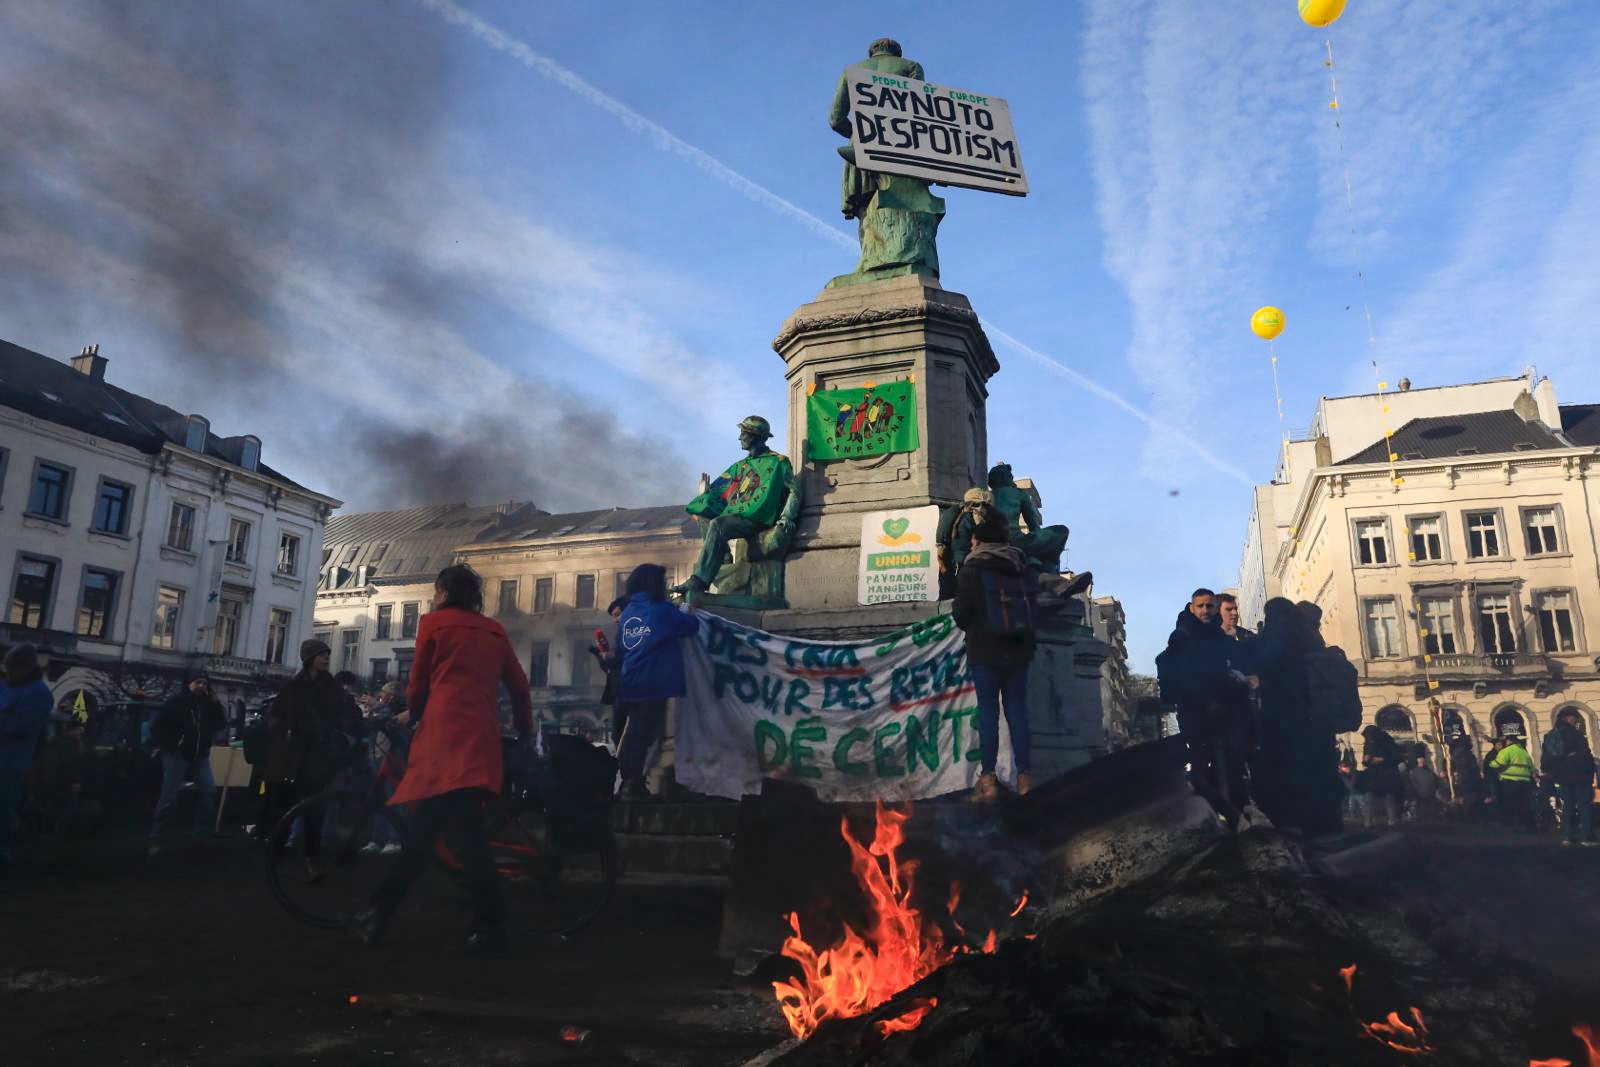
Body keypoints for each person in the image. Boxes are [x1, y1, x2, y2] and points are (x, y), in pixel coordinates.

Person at [356, 564, 533, 956]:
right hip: (479, 740)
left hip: (443, 739)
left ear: (442, 592)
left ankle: (486, 924)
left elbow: (417, 683)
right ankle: (385, 913)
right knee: (443, 836)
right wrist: (525, 730)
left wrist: (412, 713)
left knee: (444, 839)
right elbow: (519, 687)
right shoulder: (493, 630)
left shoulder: (434, 625)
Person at [952, 510, 1037, 803]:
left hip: (985, 649)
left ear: (977, 541)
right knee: (1017, 710)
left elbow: (962, 616)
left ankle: (988, 777)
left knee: (988, 711)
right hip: (1018, 649)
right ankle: (1025, 776)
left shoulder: (973, 568)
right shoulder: (1020, 565)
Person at [1157, 588, 1256, 828]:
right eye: (1200, 606)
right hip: (1196, 712)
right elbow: (1175, 669)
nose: (1205, 610)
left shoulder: (1218, 637)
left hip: (1223, 711)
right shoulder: (1182, 636)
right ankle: (1211, 817)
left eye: (1210, 606)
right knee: (1202, 765)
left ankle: (1233, 815)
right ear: (1192, 607)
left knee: (1230, 764)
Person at [264, 639, 361, 879]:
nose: (326, 659)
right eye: (321, 655)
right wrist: (285, 735)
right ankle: (275, 857)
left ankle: (311, 860)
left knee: (315, 811)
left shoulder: (333, 688)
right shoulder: (293, 688)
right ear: (309, 658)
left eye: (327, 655)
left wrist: (347, 733)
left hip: (319, 757)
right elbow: (275, 718)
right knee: (285, 807)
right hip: (293, 756)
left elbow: (348, 716)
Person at [615, 564, 699, 800]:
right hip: (655, 682)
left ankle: (630, 781)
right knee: (648, 734)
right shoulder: (661, 610)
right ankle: (638, 783)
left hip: (631, 681)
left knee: (635, 733)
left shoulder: (628, 613)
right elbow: (691, 626)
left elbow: (621, 647)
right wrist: (689, 611)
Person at [147, 673, 227, 850]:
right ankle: (156, 834)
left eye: (204, 683)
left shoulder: (208, 704)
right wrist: (172, 745)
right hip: (178, 754)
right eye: (198, 682)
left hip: (200, 754)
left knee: (209, 791)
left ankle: (200, 833)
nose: (201, 686)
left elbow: (221, 723)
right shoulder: (177, 702)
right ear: (189, 684)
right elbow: (158, 727)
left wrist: (215, 703)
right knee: (169, 795)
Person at [0, 645, 52, 875]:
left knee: (4, 809)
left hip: (11, 762)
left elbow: (21, 727)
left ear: (25, 668)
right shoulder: (8, 686)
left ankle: (4, 854)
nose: (8, 673)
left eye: (12, 669)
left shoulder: (38, 693)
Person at [1540, 710, 1597, 846]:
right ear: (1567, 718)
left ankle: (1568, 836)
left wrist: (1549, 772)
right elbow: (1585, 755)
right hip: (1579, 774)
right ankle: (1586, 836)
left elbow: (1546, 757)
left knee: (1568, 805)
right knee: (1584, 804)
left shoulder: (1550, 735)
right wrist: (1591, 770)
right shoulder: (1575, 734)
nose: (1576, 721)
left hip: (1563, 776)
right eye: (1574, 718)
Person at [591, 597, 627, 745]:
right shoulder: (620, 635)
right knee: (618, 735)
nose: (615, 620)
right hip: (618, 692)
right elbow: (610, 669)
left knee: (621, 735)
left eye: (618, 614)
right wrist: (601, 657)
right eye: (614, 616)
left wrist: (609, 657)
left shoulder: (630, 634)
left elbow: (624, 660)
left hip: (627, 692)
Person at [1358, 724, 1406, 828]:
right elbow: (1366, 759)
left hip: (1388, 773)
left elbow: (1397, 757)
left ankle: (1392, 821)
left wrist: (1383, 760)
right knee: (1369, 796)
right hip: (1373, 774)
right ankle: (1368, 821)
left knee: (1389, 797)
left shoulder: (1388, 742)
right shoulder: (1368, 742)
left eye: (1370, 737)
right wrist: (1366, 760)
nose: (1369, 739)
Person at [1489, 733, 1537, 832]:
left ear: (1509, 741)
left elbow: (1498, 764)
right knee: (1523, 805)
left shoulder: (1507, 751)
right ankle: (1526, 826)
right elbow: (1532, 767)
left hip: (1510, 781)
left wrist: (1490, 763)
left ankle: (1512, 826)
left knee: (1510, 804)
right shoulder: (1524, 752)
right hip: (1524, 781)